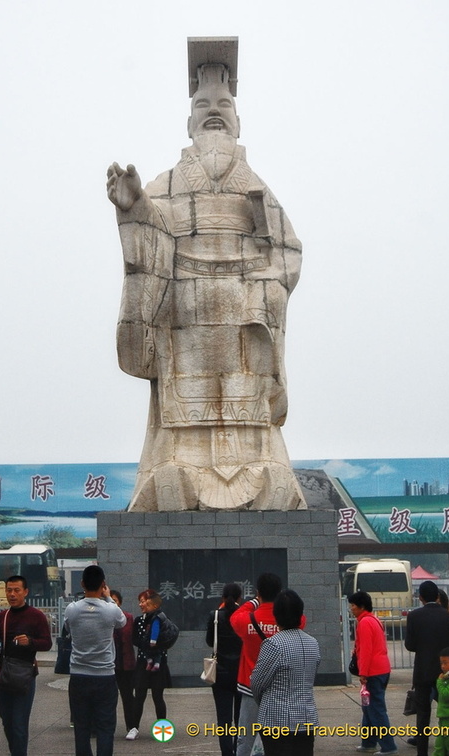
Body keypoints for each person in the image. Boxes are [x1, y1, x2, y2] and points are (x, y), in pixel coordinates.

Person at [106, 38, 305, 512]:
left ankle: (263, 468)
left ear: (237, 123)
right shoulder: (166, 184)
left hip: (245, 309)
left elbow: (288, 251)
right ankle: (172, 467)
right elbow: (152, 240)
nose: (214, 112)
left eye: (224, 107)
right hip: (184, 320)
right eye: (203, 106)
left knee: (251, 406)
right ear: (189, 123)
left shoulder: (256, 187)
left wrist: (264, 287)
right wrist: (136, 206)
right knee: (178, 420)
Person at [64, 565, 126, 756]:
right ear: (103, 584)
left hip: (79, 676)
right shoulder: (111, 610)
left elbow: (67, 628)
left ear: (82, 584)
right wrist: (107, 597)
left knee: (81, 728)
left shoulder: (72, 609)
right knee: (105, 728)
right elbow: (122, 622)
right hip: (104, 677)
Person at [0, 575, 52, 756]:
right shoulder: (2, 616)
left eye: (16, 590)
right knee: (7, 722)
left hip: (25, 676)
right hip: (5, 675)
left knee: (19, 724)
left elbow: (47, 643)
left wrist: (30, 642)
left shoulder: (36, 616)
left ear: (26, 592)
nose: (12, 594)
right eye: (9, 590)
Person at [251, 589, 320, 756]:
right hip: (306, 719)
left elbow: (256, 684)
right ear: (300, 613)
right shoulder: (313, 643)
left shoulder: (273, 645)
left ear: (276, 615)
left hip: (277, 722)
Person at [230, 572, 283, 756]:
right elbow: (301, 621)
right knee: (278, 736)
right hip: (278, 687)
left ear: (258, 592)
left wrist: (254, 602)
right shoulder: (285, 621)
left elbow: (235, 616)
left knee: (246, 736)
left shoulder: (247, 620)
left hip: (250, 686)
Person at [404, 580, 449, 756]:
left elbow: (410, 645)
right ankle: (446, 748)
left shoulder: (414, 616)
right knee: (446, 712)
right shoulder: (447, 615)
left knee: (423, 715)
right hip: (444, 671)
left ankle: (422, 752)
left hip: (422, 671)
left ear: (420, 597)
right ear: (438, 596)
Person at [348, 590, 398, 756]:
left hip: (373, 672)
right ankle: (368, 742)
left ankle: (388, 746)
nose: (351, 609)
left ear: (361, 606)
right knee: (368, 707)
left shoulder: (364, 623)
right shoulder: (374, 620)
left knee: (375, 709)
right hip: (381, 669)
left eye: (353, 606)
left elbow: (366, 651)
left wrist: (363, 673)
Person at [205, 582, 243, 756]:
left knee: (224, 718)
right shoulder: (245, 615)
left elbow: (209, 641)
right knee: (240, 718)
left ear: (223, 597)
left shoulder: (214, 616)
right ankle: (240, 749)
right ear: (240, 597)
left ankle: (227, 753)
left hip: (220, 671)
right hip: (241, 672)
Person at [131, 589, 173, 740]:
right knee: (139, 696)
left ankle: (162, 728)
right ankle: (134, 727)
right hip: (143, 662)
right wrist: (147, 644)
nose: (141, 604)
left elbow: (168, 637)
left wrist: (156, 645)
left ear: (153, 604)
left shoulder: (161, 619)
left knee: (158, 696)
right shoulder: (139, 620)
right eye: (140, 601)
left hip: (159, 663)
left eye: (144, 601)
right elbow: (134, 639)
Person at [110, 589, 137, 740]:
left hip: (126, 664)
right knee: (109, 699)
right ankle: (106, 728)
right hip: (109, 665)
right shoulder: (105, 618)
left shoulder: (128, 618)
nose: (113, 603)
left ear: (119, 602)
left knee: (128, 697)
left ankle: (131, 727)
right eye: (110, 601)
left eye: (115, 600)